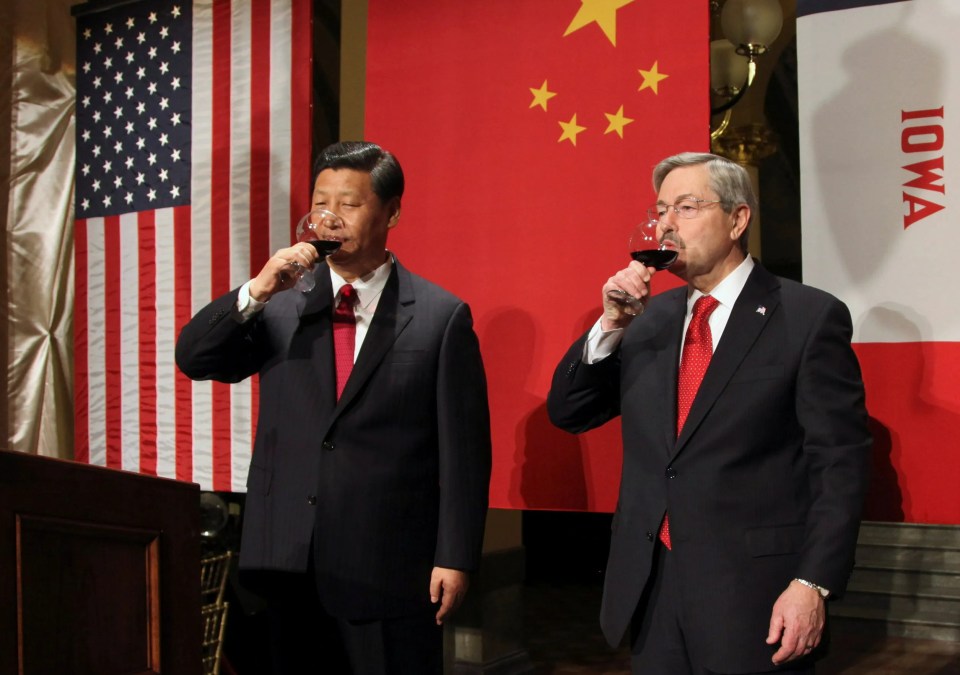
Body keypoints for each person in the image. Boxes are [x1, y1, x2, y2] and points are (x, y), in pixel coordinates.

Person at [547, 152, 871, 675]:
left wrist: (812, 583)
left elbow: (840, 465)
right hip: (652, 587)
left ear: (738, 219)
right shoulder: (648, 322)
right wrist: (609, 326)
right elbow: (570, 412)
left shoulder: (808, 318)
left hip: (757, 594)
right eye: (661, 210)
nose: (667, 225)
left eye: (687, 207)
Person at [176, 141, 492, 674]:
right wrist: (255, 291)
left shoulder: (440, 317)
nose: (330, 217)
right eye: (321, 202)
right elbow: (196, 357)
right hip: (285, 565)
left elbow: (464, 455)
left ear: (392, 212)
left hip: (388, 568)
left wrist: (455, 556)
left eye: (348, 203)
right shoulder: (280, 302)